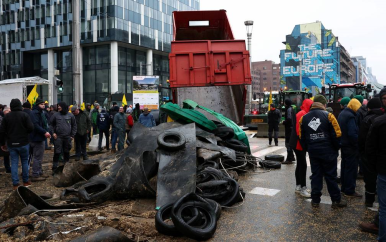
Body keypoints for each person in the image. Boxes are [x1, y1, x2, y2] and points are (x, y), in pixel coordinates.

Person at [299, 94, 346, 208]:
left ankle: (315, 200)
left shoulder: (304, 118)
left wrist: (308, 148)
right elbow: (337, 134)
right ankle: (336, 200)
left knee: (316, 175)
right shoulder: (329, 116)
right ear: (324, 104)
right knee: (330, 176)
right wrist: (336, 147)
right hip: (328, 151)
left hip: (313, 152)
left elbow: (301, 137)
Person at [364, 88, 386, 239]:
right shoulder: (378, 121)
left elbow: (369, 149)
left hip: (383, 170)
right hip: (383, 170)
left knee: (384, 208)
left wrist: (372, 168)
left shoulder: (378, 122)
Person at [0, 99, 34, 190]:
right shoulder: (24, 115)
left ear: (11, 106)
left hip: (11, 143)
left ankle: (15, 184)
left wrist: (3, 143)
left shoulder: (7, 117)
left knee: (14, 163)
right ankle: (26, 181)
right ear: (20, 105)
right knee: (24, 162)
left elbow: (2, 131)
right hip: (23, 142)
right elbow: (31, 128)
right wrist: (25, 133)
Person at [358, 98, 384, 207]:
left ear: (369, 107)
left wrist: (362, 153)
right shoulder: (383, 118)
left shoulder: (367, 119)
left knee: (370, 178)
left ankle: (369, 200)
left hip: (369, 154)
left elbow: (362, 139)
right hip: (382, 154)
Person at [337, 98, 362, 198]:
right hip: (351, 146)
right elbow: (352, 133)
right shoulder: (351, 116)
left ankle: (343, 188)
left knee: (345, 166)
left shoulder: (342, 113)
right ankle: (350, 190)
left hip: (343, 144)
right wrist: (357, 144)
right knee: (351, 169)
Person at [289, 99, 313, 197]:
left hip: (297, 143)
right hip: (298, 144)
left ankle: (298, 186)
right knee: (302, 165)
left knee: (300, 164)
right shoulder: (302, 114)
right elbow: (299, 131)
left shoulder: (303, 113)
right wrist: (305, 143)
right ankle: (302, 187)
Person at [50, 102, 77, 172]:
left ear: (64, 107)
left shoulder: (70, 115)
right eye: (58, 106)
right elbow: (51, 125)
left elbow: (74, 125)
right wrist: (53, 133)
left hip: (67, 137)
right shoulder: (55, 115)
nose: (58, 107)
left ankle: (66, 166)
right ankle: (55, 168)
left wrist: (72, 135)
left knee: (66, 151)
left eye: (60, 106)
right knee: (57, 152)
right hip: (58, 137)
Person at [29, 99, 51, 182]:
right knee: (37, 157)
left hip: (39, 137)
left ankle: (39, 171)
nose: (43, 105)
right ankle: (35, 174)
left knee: (40, 157)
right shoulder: (35, 113)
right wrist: (44, 132)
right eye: (41, 104)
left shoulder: (41, 112)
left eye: (44, 104)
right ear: (37, 105)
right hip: (36, 138)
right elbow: (35, 125)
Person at [283, 99, 295, 164]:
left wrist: (284, 122)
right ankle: (292, 156)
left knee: (288, 143)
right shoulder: (292, 109)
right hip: (291, 128)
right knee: (289, 142)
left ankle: (289, 158)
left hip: (289, 129)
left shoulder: (288, 109)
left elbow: (289, 119)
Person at [0, 107, 11, 174]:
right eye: (8, 112)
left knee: (6, 154)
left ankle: (7, 168)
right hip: (3, 138)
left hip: (5, 138)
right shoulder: (2, 118)